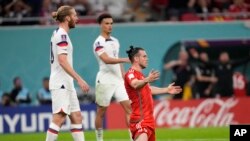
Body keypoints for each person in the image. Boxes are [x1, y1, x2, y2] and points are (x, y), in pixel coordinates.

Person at [45, 5, 90, 141]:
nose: (77, 18)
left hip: (66, 82)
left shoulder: (57, 33)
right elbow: (63, 61)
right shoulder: (62, 35)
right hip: (61, 83)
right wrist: (79, 79)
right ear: (67, 18)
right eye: (75, 15)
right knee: (59, 117)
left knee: (76, 117)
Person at [124, 46, 182, 141]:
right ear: (136, 58)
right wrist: (147, 79)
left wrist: (166, 90)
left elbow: (148, 89)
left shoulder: (141, 76)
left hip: (149, 121)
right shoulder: (130, 74)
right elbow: (135, 84)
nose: (147, 59)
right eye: (144, 56)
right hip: (140, 120)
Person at [93, 13, 131, 141]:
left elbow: (117, 60)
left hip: (118, 80)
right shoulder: (98, 42)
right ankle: (99, 139)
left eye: (111, 23)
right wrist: (126, 59)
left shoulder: (115, 41)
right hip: (105, 79)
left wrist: (124, 75)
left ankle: (134, 138)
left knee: (129, 108)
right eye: (107, 23)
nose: (110, 26)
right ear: (101, 25)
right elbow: (107, 60)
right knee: (101, 112)